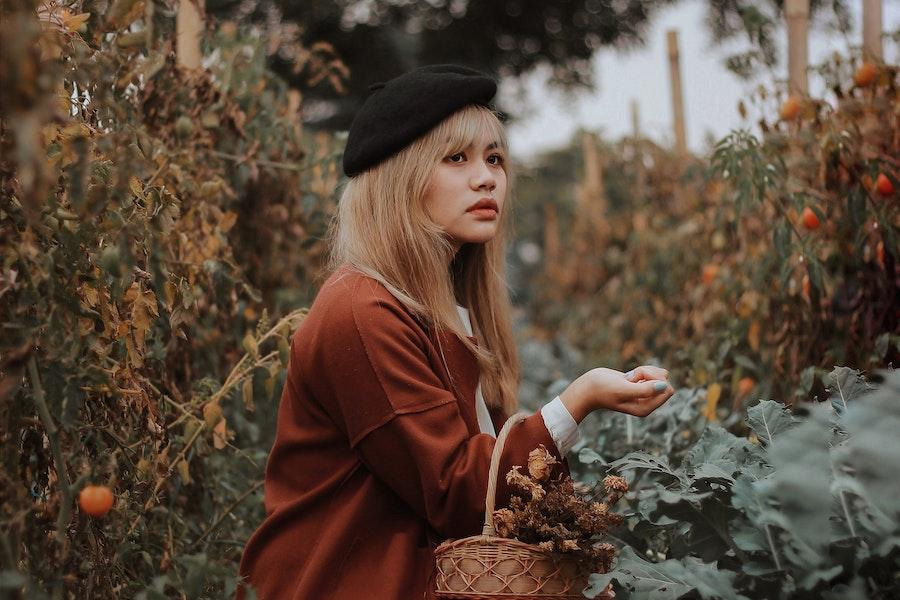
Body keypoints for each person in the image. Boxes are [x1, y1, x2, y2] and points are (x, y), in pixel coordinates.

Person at [236, 64, 675, 600]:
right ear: (400, 178)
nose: (486, 177)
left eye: (494, 158)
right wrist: (576, 401)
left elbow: (492, 510)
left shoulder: (447, 308)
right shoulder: (361, 310)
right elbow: (460, 495)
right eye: (456, 159)